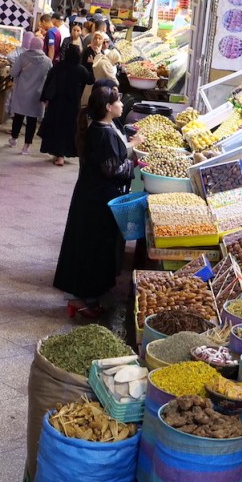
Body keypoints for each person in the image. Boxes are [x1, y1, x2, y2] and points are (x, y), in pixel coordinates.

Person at [54, 85, 143, 318]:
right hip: (98, 200)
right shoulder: (103, 132)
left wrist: (131, 147)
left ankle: (84, 297)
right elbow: (113, 169)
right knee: (93, 247)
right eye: (118, 101)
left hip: (92, 195)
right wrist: (135, 164)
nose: (122, 104)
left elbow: (112, 157)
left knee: (88, 245)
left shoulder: (102, 127)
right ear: (108, 107)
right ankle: (85, 299)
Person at [38, 45, 89, 166]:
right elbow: (90, 80)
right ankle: (63, 154)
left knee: (57, 128)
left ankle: (59, 155)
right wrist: (90, 64)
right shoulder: (81, 69)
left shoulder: (58, 66)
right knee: (68, 129)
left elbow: (48, 82)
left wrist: (44, 98)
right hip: (73, 105)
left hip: (57, 104)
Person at [7, 36, 52, 154]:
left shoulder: (22, 57)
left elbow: (13, 72)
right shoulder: (47, 61)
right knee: (32, 121)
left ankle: (14, 139)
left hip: (21, 92)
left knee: (18, 116)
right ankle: (26, 146)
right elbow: (50, 78)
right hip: (37, 95)